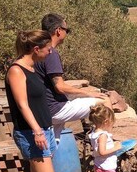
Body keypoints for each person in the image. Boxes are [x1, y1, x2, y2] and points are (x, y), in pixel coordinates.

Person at [5, 31, 71, 172]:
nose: (50, 51)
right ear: (35, 49)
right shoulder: (17, 71)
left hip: (44, 129)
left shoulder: (31, 68)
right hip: (31, 132)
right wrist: (37, 131)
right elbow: (22, 105)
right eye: (47, 48)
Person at [35, 13, 112, 142]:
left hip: (42, 109)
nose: (67, 33)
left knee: (50, 147)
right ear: (58, 31)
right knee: (104, 100)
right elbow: (59, 86)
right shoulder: (51, 53)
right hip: (55, 109)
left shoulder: (37, 51)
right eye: (67, 30)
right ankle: (106, 142)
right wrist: (88, 93)